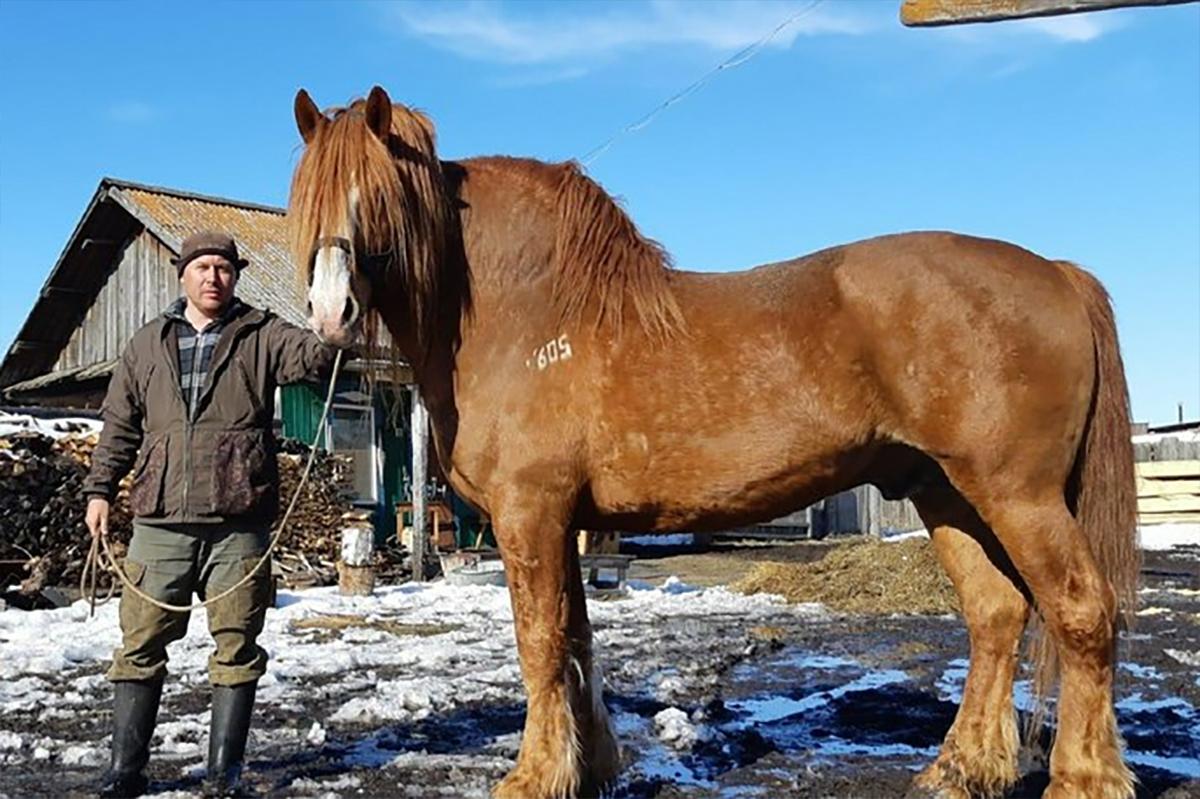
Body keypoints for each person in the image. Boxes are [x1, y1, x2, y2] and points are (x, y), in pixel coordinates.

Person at [83, 231, 334, 797]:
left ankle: (224, 776)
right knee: (139, 646)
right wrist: (99, 490)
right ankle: (126, 771)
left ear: (235, 276)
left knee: (237, 648)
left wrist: (335, 324)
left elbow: (313, 357)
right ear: (183, 274)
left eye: (223, 268)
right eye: (202, 267)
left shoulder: (262, 333)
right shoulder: (147, 343)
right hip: (160, 520)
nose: (213, 277)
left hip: (238, 523)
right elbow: (119, 426)